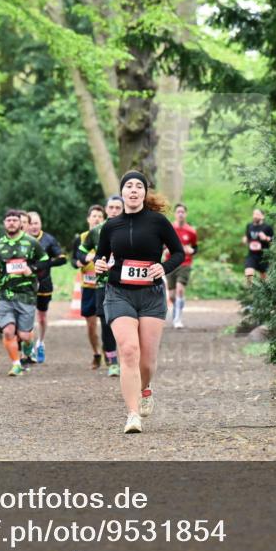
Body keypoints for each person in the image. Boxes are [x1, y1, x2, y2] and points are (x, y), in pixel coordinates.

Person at [95, 171, 185, 433]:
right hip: (118, 293)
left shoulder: (158, 222)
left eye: (139, 186)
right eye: (129, 186)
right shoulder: (111, 226)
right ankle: (132, 414)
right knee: (129, 351)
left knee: (146, 361)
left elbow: (178, 253)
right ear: (122, 192)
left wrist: (163, 267)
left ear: (145, 193)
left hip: (151, 296)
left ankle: (145, 389)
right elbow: (101, 258)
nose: (133, 190)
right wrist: (99, 264)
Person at [0, 209, 49, 376]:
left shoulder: (31, 243)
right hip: (5, 294)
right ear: (4, 224)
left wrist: (32, 269)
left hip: (26, 294)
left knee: (25, 335)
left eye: (15, 220)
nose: (12, 223)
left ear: (21, 223)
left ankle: (28, 346)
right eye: (8, 220)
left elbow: (45, 261)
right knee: (8, 331)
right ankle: (16, 364)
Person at [80, 196, 123, 376]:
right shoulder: (97, 230)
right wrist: (86, 258)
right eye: (111, 207)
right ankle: (112, 361)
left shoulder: (130, 227)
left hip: (124, 283)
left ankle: (127, 356)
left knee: (121, 323)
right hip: (102, 284)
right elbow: (81, 252)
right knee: (105, 323)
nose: (114, 210)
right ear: (106, 209)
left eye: (117, 207)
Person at [26, 210, 67, 363]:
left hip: (44, 283)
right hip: (25, 284)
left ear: (41, 224)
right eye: (30, 223)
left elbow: (62, 259)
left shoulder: (49, 240)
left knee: (41, 317)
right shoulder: (22, 240)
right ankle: (27, 348)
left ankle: (40, 342)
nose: (33, 226)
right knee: (26, 315)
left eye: (36, 223)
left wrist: (45, 263)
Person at [73, 205, 105, 369]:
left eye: (100, 216)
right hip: (89, 286)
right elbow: (74, 260)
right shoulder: (82, 238)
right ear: (88, 219)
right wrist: (81, 261)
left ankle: (109, 351)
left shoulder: (107, 235)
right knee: (91, 325)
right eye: (94, 216)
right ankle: (96, 353)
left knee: (107, 323)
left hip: (105, 285)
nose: (97, 218)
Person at [164, 203, 198, 329]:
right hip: (171, 263)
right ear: (175, 214)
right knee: (172, 295)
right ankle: (176, 311)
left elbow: (195, 248)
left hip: (185, 262)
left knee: (180, 290)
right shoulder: (169, 229)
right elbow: (162, 245)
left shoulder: (191, 231)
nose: (180, 214)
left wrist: (192, 251)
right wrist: (165, 250)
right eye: (178, 212)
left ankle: (178, 319)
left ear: (186, 214)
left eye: (182, 212)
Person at [243, 208, 274, 286]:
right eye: (254, 214)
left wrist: (266, 238)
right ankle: (249, 290)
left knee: (264, 279)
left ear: (262, 216)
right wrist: (245, 239)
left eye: (257, 214)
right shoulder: (249, 226)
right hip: (252, 255)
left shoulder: (267, 227)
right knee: (248, 272)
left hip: (264, 256)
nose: (255, 216)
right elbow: (247, 237)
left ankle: (266, 294)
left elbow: (274, 240)